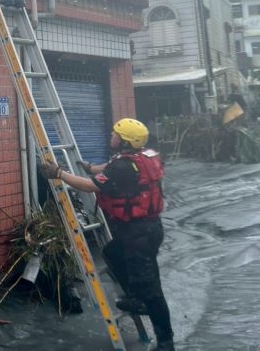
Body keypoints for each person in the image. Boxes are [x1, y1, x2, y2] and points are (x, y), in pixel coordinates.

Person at [39, 118, 176, 351]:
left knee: (152, 291)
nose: (110, 136)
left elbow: (90, 186)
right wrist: (92, 167)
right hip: (147, 229)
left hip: (138, 234)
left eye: (115, 134)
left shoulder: (123, 166)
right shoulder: (142, 157)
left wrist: (59, 173)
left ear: (124, 141)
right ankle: (135, 295)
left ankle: (165, 342)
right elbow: (113, 168)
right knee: (112, 252)